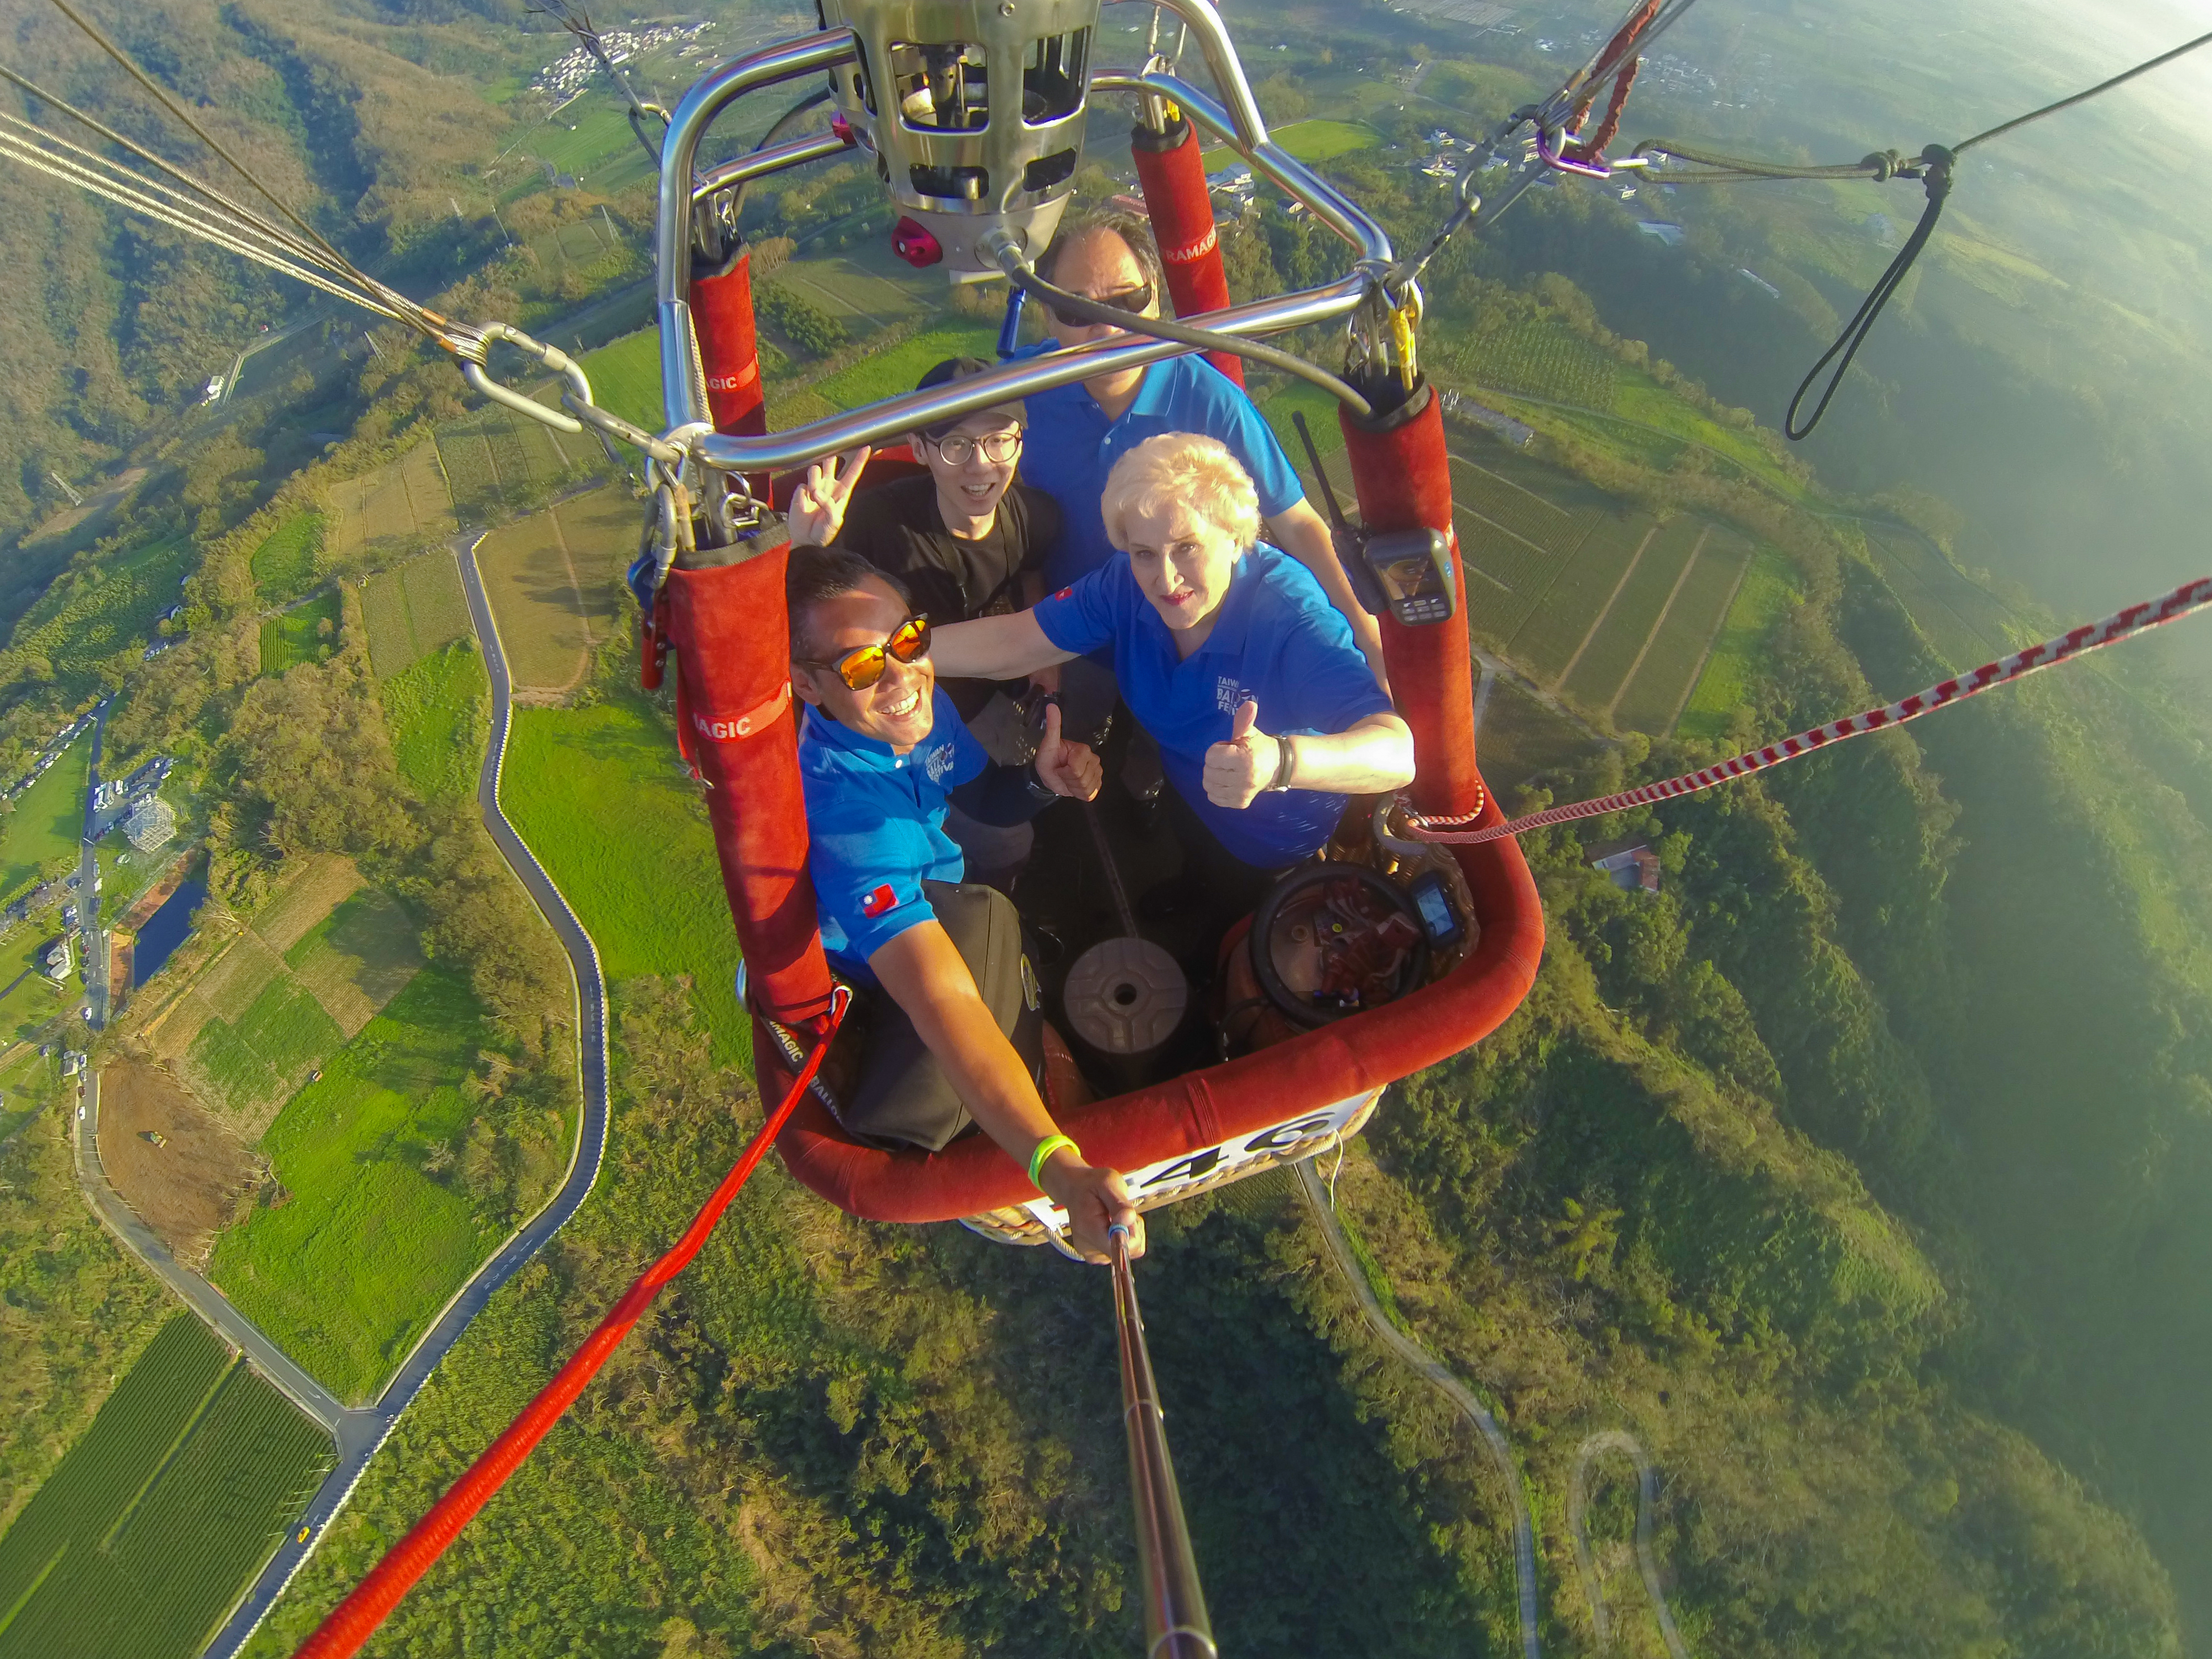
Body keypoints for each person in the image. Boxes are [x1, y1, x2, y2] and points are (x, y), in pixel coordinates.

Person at [788, 544, 1143, 1262]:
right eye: (861, 668)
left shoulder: (915, 702)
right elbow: (942, 1003)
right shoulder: (849, 822)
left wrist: (1040, 781)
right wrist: (1057, 1166)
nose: (900, 677)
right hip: (888, 977)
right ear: (808, 685)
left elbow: (977, 793)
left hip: (941, 893)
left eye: (909, 640)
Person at [930, 434, 1414, 920]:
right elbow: (1015, 642)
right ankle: (1189, 891)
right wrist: (898, 654)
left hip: (1267, 832)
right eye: (1144, 553)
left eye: (1187, 548)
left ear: (1234, 535)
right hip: (1189, 786)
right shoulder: (1126, 584)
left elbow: (1396, 753)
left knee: (1234, 908)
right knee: (1191, 863)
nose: (1164, 579)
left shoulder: (1288, 618)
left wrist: (1279, 761)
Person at [1012, 212, 1388, 690]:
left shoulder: (1209, 401)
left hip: (1186, 647)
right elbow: (944, 415)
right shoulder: (1022, 389)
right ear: (1048, 314)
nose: (1107, 330)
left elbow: (1297, 523)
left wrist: (1368, 637)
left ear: (1155, 300)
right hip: (1075, 641)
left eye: (1127, 301)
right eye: (1078, 310)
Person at [788, 358, 1065, 888]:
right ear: (920, 451)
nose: (980, 467)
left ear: (1019, 444)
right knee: (1010, 836)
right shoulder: (873, 525)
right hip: (914, 691)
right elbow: (803, 615)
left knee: (1075, 718)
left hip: (987, 661)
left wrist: (1045, 660)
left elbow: (1032, 570)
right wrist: (804, 547)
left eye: (998, 441)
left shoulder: (1036, 516)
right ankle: (997, 886)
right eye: (956, 445)